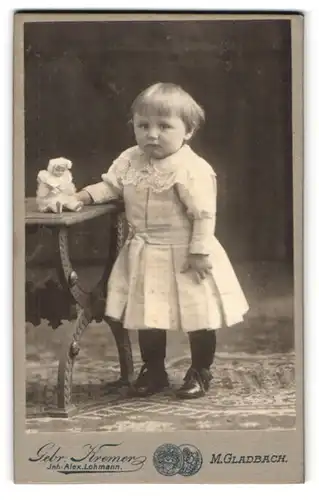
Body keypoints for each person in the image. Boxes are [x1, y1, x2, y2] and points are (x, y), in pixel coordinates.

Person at [76, 82, 249, 399]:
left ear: (188, 131)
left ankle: (200, 369)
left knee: (199, 315)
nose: (151, 134)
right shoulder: (130, 160)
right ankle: (153, 369)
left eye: (164, 126)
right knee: (148, 314)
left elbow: (203, 215)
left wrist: (199, 252)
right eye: (143, 126)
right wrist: (84, 195)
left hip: (186, 251)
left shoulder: (192, 169)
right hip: (145, 250)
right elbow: (111, 187)